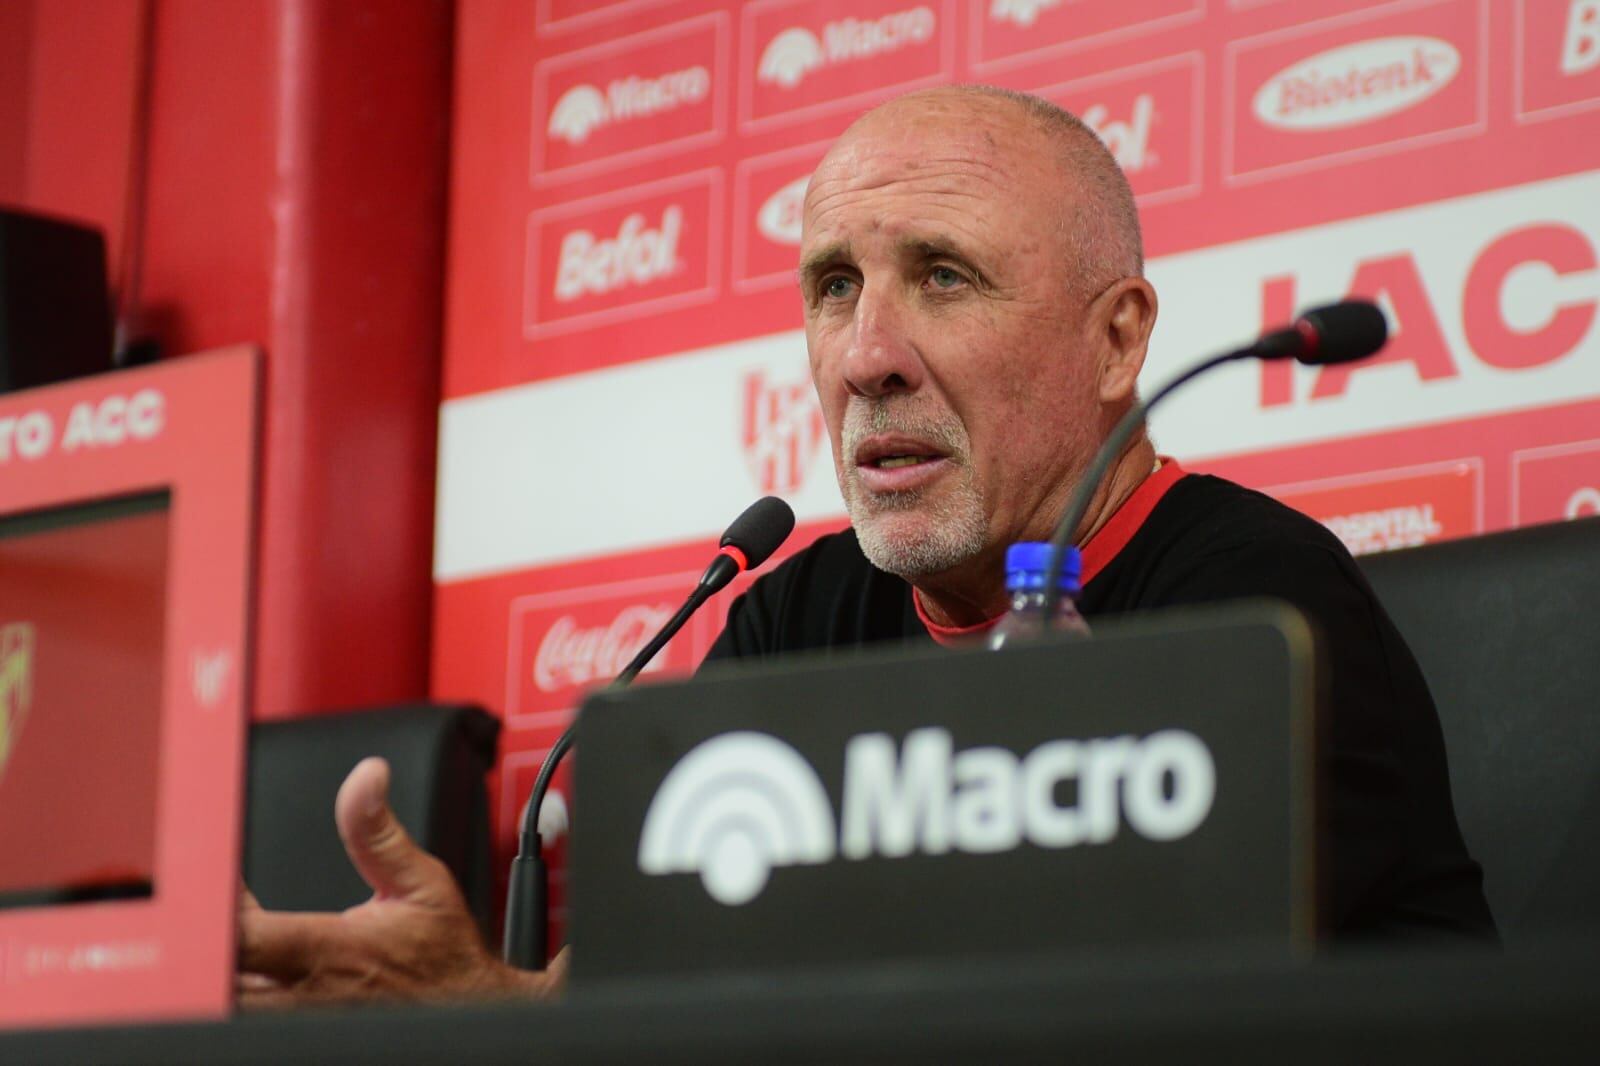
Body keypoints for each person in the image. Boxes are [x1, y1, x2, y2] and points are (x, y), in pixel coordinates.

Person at [236, 86, 1493, 1008]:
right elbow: (635, 995)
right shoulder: (793, 621)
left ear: (1115, 342)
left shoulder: (1259, 615)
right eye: (833, 285)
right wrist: (496, 1021)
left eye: (942, 276)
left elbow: (1107, 1019)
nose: (862, 356)